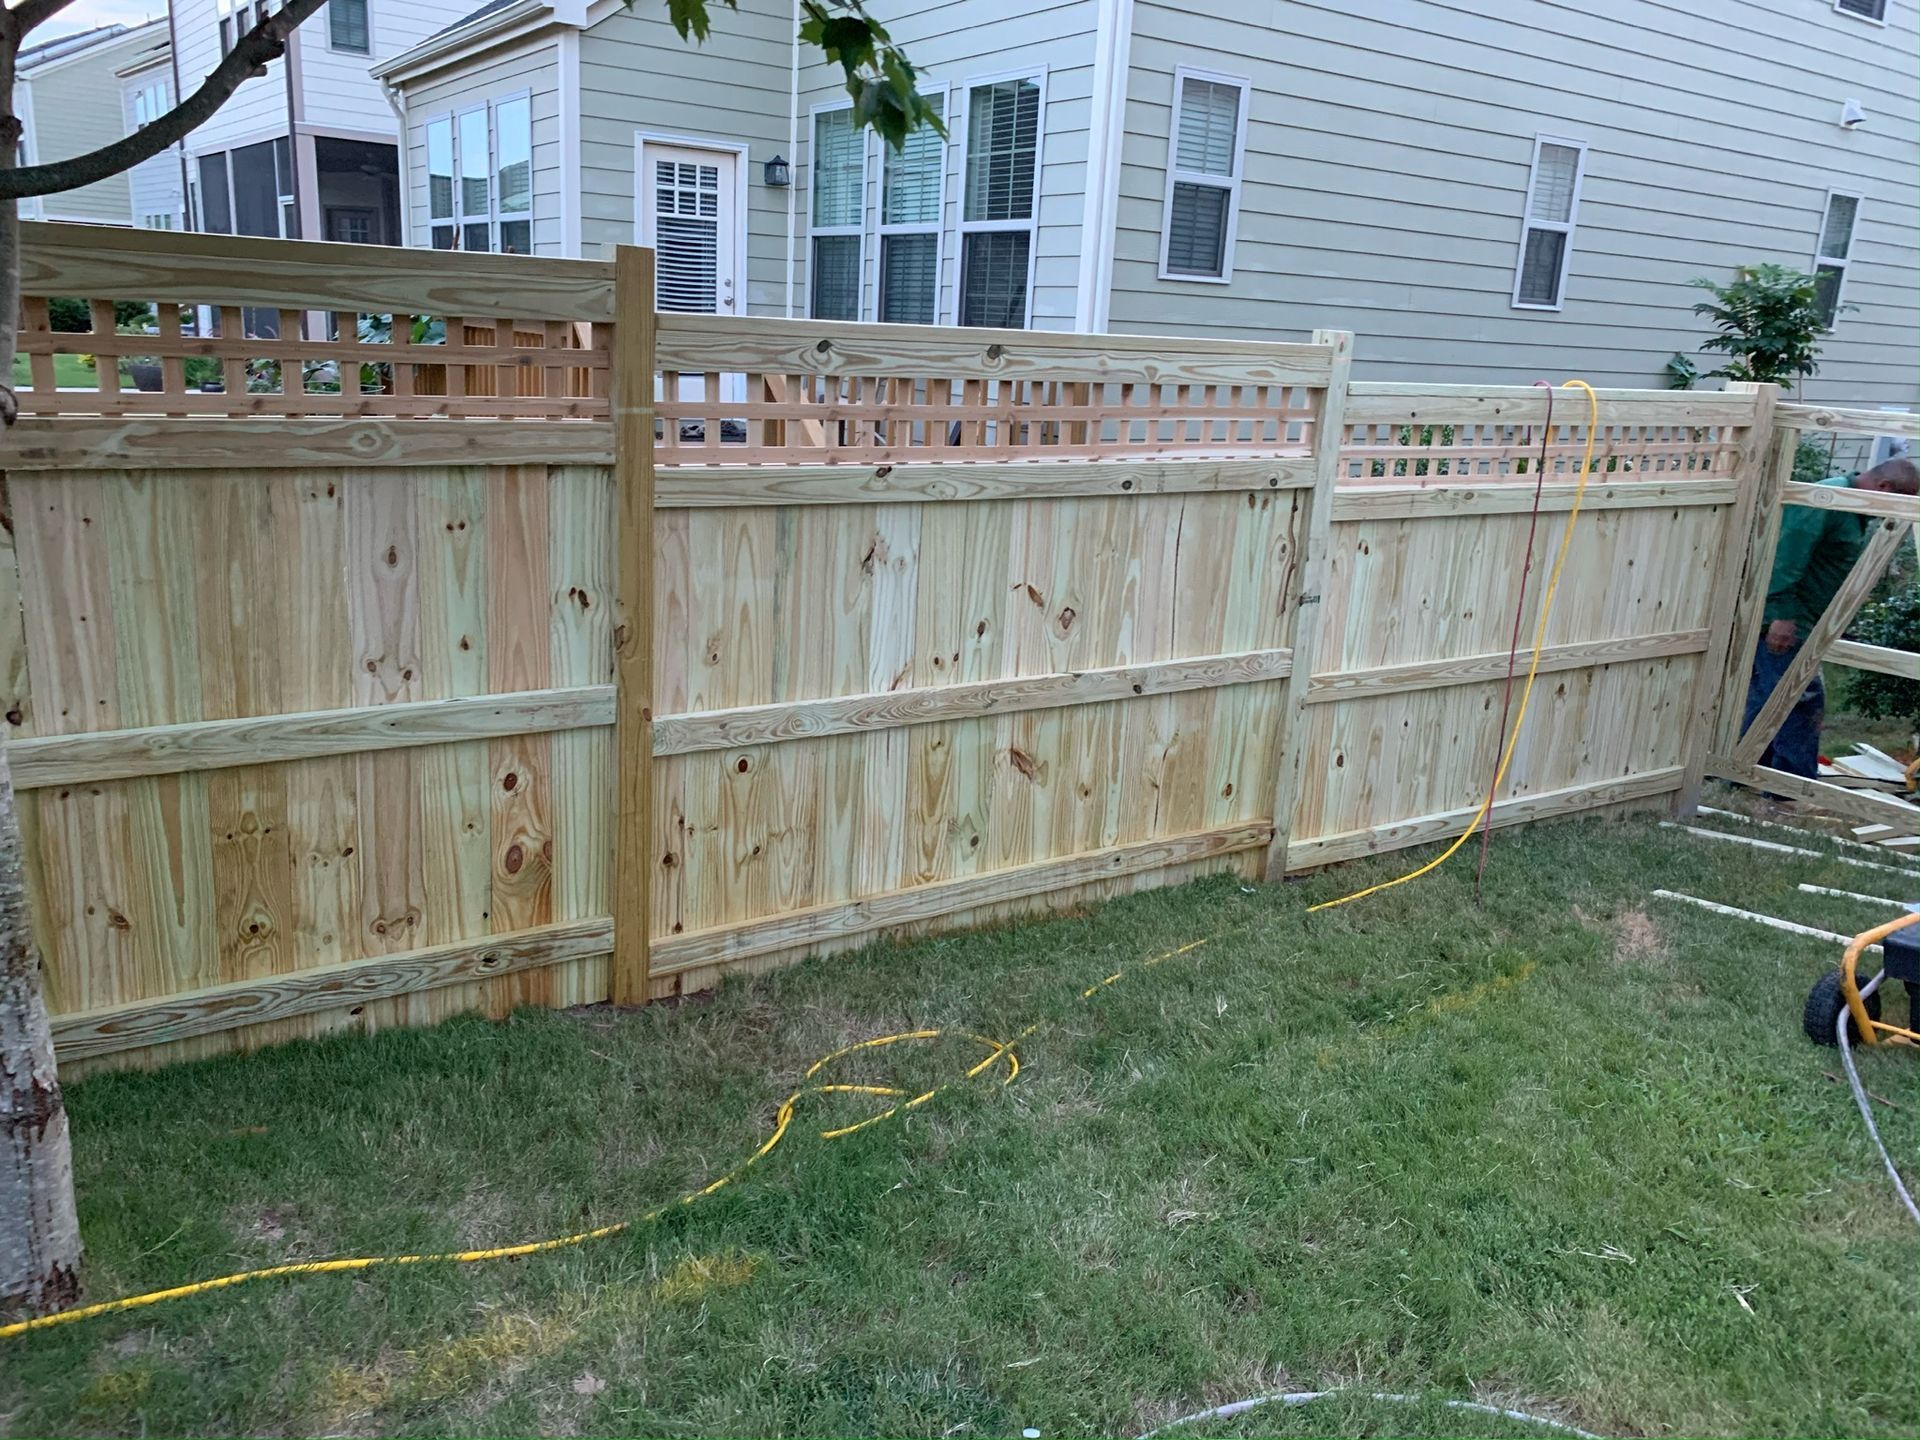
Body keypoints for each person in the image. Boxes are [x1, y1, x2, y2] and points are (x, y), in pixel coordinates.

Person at [1741, 456, 1918, 779]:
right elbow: (1785, 557)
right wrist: (1782, 615)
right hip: (1787, 619)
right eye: (1901, 501)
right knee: (1800, 698)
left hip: (1806, 620)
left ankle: (1746, 770)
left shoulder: (1851, 507)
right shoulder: (1827, 499)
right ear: (1884, 487)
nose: (1894, 513)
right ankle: (1790, 786)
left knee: (1770, 695)